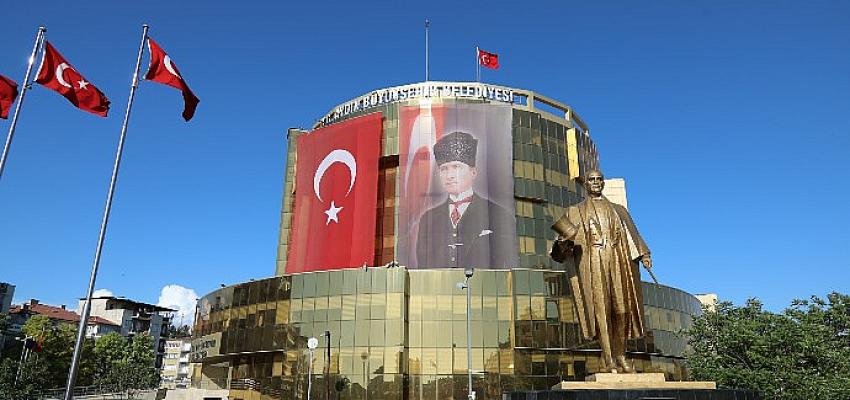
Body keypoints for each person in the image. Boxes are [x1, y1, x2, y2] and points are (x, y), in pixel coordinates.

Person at [550, 170, 652, 373]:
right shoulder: (575, 211)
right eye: (592, 179)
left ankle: (621, 354)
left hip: (618, 259)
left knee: (622, 310)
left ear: (603, 183)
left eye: (599, 179)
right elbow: (560, 252)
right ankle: (609, 359)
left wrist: (645, 254)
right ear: (585, 184)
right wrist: (563, 242)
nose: (596, 182)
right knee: (601, 311)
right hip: (592, 262)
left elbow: (633, 234)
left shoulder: (619, 210)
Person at [416, 131, 517, 269]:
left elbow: (507, 265)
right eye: (444, 169)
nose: (450, 175)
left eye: (456, 167)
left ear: (473, 172)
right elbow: (422, 267)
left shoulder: (499, 214)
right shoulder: (428, 219)